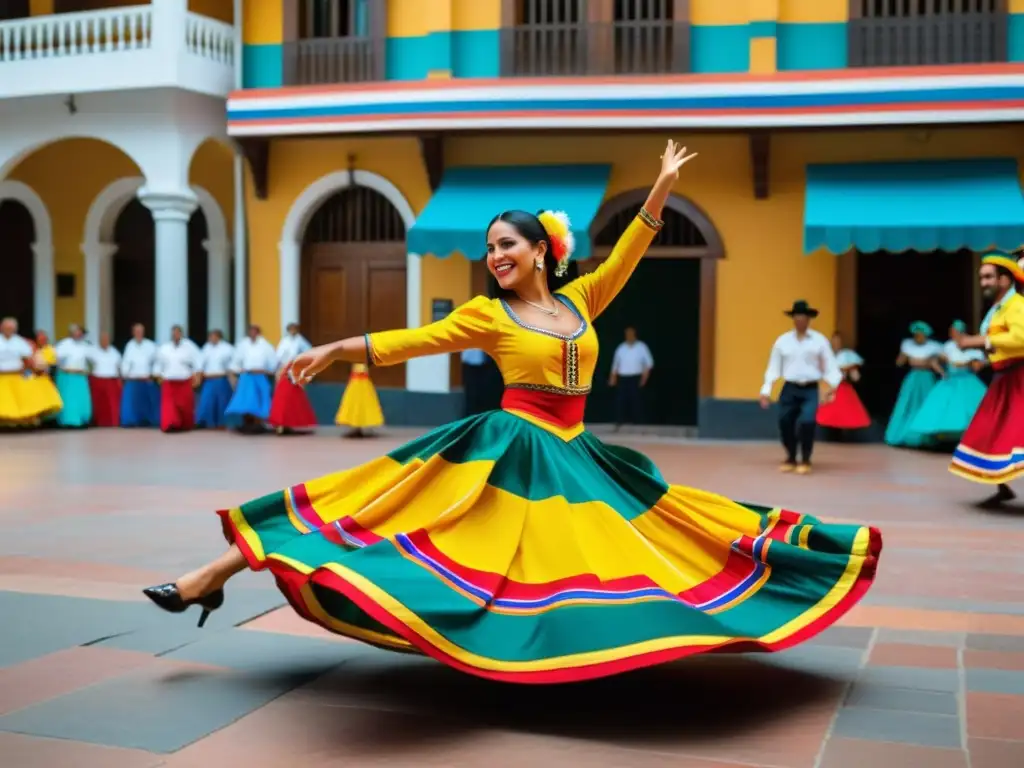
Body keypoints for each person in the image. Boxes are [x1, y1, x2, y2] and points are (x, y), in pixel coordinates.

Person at [143, 142, 881, 685]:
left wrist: (658, 189)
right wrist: (338, 346)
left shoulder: (580, 300)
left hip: (575, 452)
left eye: (506, 245)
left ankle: (575, 644)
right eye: (489, 246)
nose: (494, 254)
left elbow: (624, 258)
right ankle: (208, 575)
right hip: (506, 447)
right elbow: (415, 339)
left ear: (540, 251)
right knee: (360, 503)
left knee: (651, 543)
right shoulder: (486, 315)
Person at [950, 252, 1024, 506]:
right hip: (1003, 378)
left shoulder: (1017, 305)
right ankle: (1002, 487)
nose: (983, 283)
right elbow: (997, 346)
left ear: (1005, 279)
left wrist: (976, 341)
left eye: (988, 277)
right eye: (982, 277)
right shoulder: (997, 309)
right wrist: (983, 358)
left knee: (1016, 433)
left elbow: (1021, 339)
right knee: (988, 430)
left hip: (1019, 379)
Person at [760, 300, 841, 475]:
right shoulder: (782, 341)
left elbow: (830, 365)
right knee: (784, 421)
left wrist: (832, 386)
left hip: (810, 388)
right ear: (793, 319)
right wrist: (766, 390)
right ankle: (790, 456)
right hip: (790, 388)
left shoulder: (819, 341)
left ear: (808, 319)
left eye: (803, 317)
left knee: (807, 421)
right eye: (797, 317)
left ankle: (805, 458)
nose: (800, 320)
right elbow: (773, 367)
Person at [908, 321, 987, 444]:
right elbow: (934, 360)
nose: (953, 334)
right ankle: (945, 438)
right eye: (952, 332)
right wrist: (942, 372)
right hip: (951, 381)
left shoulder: (971, 346)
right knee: (943, 408)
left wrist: (970, 363)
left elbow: (978, 366)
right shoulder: (948, 346)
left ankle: (971, 438)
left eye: (956, 332)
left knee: (969, 408)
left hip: (967, 380)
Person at [884, 322, 943, 449]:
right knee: (908, 405)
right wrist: (904, 356)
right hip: (913, 378)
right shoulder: (908, 345)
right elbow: (899, 363)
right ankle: (903, 435)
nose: (918, 337)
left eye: (921, 335)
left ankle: (926, 437)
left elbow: (935, 364)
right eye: (916, 335)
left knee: (926, 405)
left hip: (926, 378)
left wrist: (941, 372)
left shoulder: (933, 347)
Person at [0, 317, 60, 429]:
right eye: (6, 328)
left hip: (16, 377)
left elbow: (28, 359)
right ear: (1, 328)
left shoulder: (20, 342)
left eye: (11, 328)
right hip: (1, 378)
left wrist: (30, 369)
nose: (9, 330)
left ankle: (17, 425)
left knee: (19, 404)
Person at [816, 331, 871, 435]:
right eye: (834, 341)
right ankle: (832, 434)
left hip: (843, 386)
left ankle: (842, 434)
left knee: (845, 413)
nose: (836, 344)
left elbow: (856, 377)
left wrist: (851, 372)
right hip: (829, 388)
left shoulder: (847, 356)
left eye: (838, 342)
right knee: (828, 413)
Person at [225, 325, 277, 433]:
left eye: (254, 332)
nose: (252, 334)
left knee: (260, 399)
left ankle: (258, 424)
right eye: (250, 331)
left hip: (260, 375)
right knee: (246, 400)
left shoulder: (266, 345)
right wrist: (234, 373)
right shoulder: (243, 345)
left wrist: (268, 371)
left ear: (258, 333)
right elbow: (236, 360)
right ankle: (246, 424)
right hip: (246, 376)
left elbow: (272, 362)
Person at [268, 322, 318, 435]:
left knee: (292, 397)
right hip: (284, 370)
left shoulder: (301, 341)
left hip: (295, 368)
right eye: (290, 329)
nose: (292, 331)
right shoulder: (284, 341)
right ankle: (280, 423)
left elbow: (309, 354)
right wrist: (278, 371)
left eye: (294, 329)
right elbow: (278, 358)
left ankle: (289, 423)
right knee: (282, 397)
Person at [155, 325, 201, 433]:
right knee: (169, 406)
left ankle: (184, 425)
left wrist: (198, 377)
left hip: (184, 380)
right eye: (173, 333)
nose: (175, 335)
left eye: (177, 333)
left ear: (181, 334)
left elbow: (198, 362)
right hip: (169, 380)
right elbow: (158, 364)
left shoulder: (190, 346)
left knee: (185, 406)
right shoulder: (164, 348)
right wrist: (158, 376)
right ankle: (170, 425)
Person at [609, 326, 653, 429]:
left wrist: (644, 379)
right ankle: (619, 421)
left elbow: (649, 364)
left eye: (631, 334)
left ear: (634, 334)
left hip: (636, 377)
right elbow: (615, 365)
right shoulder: (621, 348)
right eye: (627, 334)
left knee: (636, 400)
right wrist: (613, 378)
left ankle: (638, 422)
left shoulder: (642, 347)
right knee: (621, 400)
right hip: (623, 378)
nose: (629, 336)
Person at [120, 324, 161, 428]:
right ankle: (131, 422)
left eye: (141, 331)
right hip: (132, 378)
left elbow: (157, 360)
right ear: (133, 332)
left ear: (143, 332)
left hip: (146, 378)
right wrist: (124, 374)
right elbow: (125, 361)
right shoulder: (129, 345)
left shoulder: (151, 345)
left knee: (150, 402)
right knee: (131, 403)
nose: (139, 333)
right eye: (136, 331)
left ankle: (149, 421)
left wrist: (154, 373)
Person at [53, 324, 93, 428]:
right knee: (69, 400)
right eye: (76, 331)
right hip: (68, 376)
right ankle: (68, 421)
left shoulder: (86, 345)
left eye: (81, 332)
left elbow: (92, 359)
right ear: (72, 333)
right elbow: (55, 357)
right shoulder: (64, 344)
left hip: (80, 376)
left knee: (81, 400)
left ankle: (81, 420)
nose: (78, 334)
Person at [195, 329, 235, 429]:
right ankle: (206, 422)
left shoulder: (227, 348)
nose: (211, 338)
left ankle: (223, 423)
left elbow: (232, 364)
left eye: (213, 336)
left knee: (223, 402)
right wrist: (198, 376)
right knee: (206, 401)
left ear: (218, 337)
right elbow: (200, 363)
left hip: (221, 378)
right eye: (210, 336)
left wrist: (232, 377)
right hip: (208, 379)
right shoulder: (206, 348)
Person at [334, 363, 384, 437]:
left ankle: (360, 428)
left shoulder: (365, 363)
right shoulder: (356, 364)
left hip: (363, 388)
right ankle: (356, 428)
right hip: (356, 387)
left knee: (363, 406)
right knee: (355, 407)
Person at [88, 332, 122, 428]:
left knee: (112, 403)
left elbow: (119, 367)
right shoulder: (92, 351)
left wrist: (120, 381)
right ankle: (98, 423)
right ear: (99, 340)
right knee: (98, 403)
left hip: (112, 380)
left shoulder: (115, 352)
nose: (104, 341)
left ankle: (113, 423)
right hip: (97, 380)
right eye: (102, 339)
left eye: (106, 339)